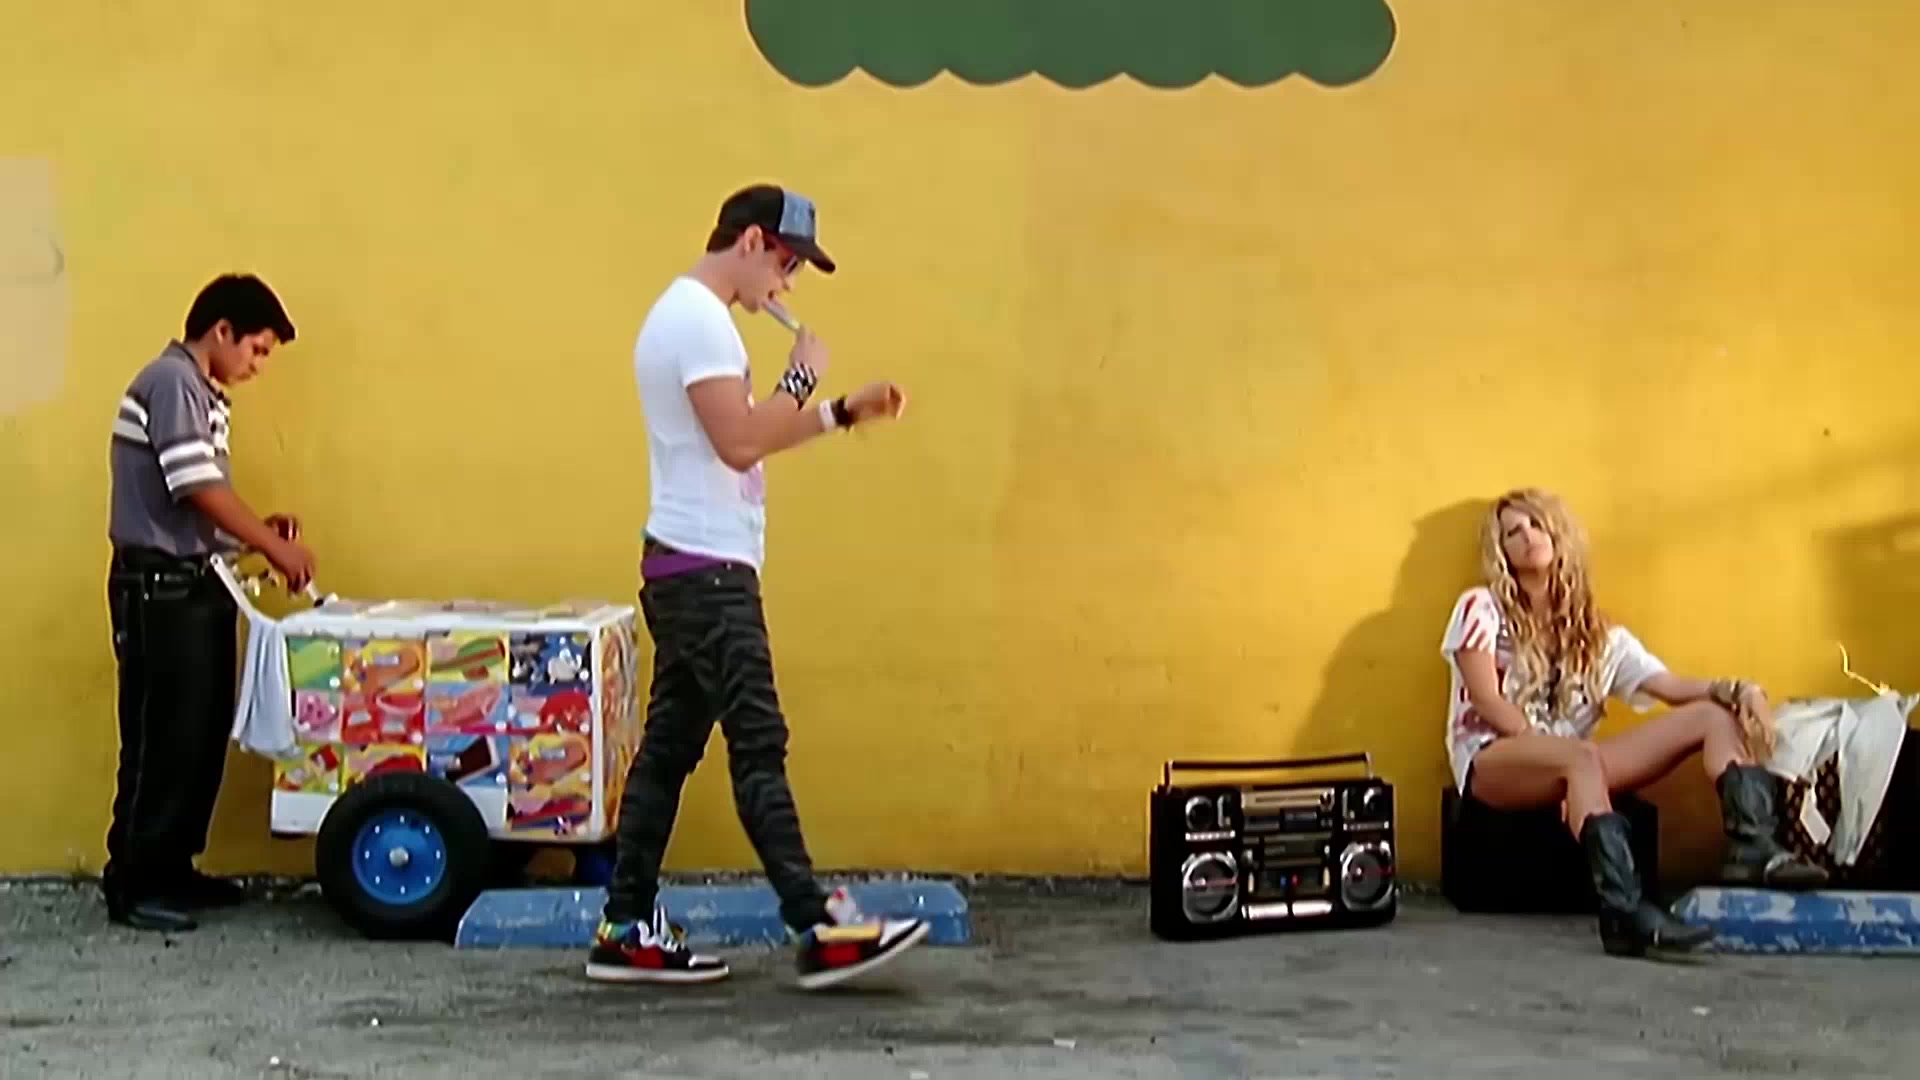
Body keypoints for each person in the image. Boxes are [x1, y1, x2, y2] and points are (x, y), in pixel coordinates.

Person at [585, 183, 925, 989]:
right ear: (748, 242)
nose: (787, 283)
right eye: (784, 262)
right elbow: (739, 443)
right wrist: (801, 378)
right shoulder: (697, 320)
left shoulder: (693, 317)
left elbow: (743, 437)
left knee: (669, 751)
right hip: (706, 574)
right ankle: (817, 923)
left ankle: (625, 927)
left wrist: (843, 411)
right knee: (758, 740)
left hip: (693, 564)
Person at [1440, 488, 1826, 958]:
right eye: (1512, 533)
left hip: (1576, 766)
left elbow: (1670, 686)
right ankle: (1623, 911)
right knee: (1580, 757)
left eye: (1536, 525)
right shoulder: (1480, 608)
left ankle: (1753, 847)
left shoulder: (1598, 636)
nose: (1527, 537)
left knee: (1710, 715)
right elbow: (1486, 700)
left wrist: (1737, 690)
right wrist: (1554, 757)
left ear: (1559, 535)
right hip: (1493, 761)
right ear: (1501, 552)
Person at [104, 274, 316, 932]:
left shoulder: (204, 395)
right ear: (221, 331)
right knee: (162, 736)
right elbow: (196, 487)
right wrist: (271, 547)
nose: (257, 366)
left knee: (198, 733)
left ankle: (173, 867)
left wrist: (255, 534)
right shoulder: (172, 382)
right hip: (158, 587)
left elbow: (198, 504)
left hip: (196, 581)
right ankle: (135, 879)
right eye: (256, 349)